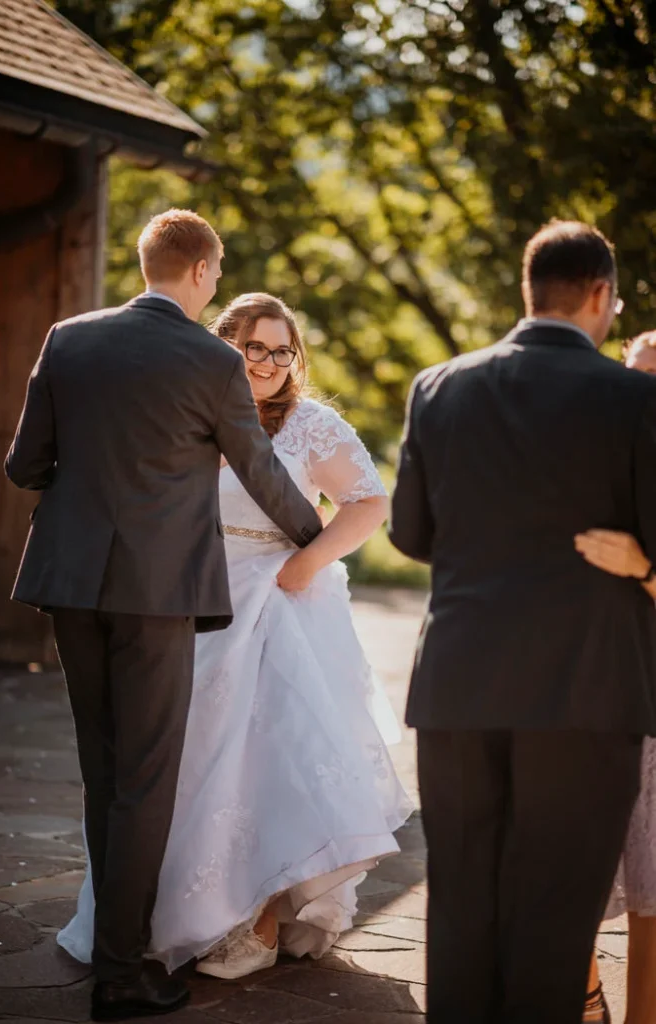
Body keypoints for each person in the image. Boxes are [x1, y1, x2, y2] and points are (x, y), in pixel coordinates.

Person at [5, 215, 323, 1022]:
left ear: (147, 264)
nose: (215, 282)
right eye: (216, 273)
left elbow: (24, 465)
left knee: (105, 769)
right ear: (202, 268)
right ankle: (122, 972)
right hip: (157, 594)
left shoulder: (68, 338)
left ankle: (112, 948)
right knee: (146, 783)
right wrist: (317, 544)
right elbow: (256, 468)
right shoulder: (211, 360)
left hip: (72, 582)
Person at [57, 291, 413, 980]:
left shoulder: (309, 424)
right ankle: (167, 914)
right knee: (176, 768)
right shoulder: (185, 410)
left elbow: (369, 501)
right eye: (256, 348)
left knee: (271, 760)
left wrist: (308, 560)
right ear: (224, 345)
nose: (272, 363)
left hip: (277, 600)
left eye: (283, 350)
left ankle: (262, 918)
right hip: (181, 598)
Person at [389, 220, 656, 1024]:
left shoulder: (437, 385)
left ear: (527, 291)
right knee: (555, 911)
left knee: (461, 904)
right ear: (601, 295)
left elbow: (409, 533)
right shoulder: (635, 398)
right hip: (586, 691)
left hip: (458, 686)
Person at [575, 329, 656, 1024]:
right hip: (587, 690)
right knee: (574, 863)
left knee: (651, 878)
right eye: (631, 375)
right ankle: (586, 992)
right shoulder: (590, 464)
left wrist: (647, 570)